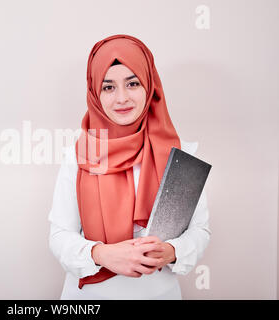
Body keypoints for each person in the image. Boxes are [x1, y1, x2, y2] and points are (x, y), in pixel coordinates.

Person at [48, 34, 211, 300]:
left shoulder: (179, 154)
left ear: (150, 85)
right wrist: (103, 254)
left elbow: (200, 231)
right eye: (108, 87)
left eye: (132, 83)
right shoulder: (79, 155)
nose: (121, 98)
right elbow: (59, 236)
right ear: (95, 93)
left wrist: (172, 251)